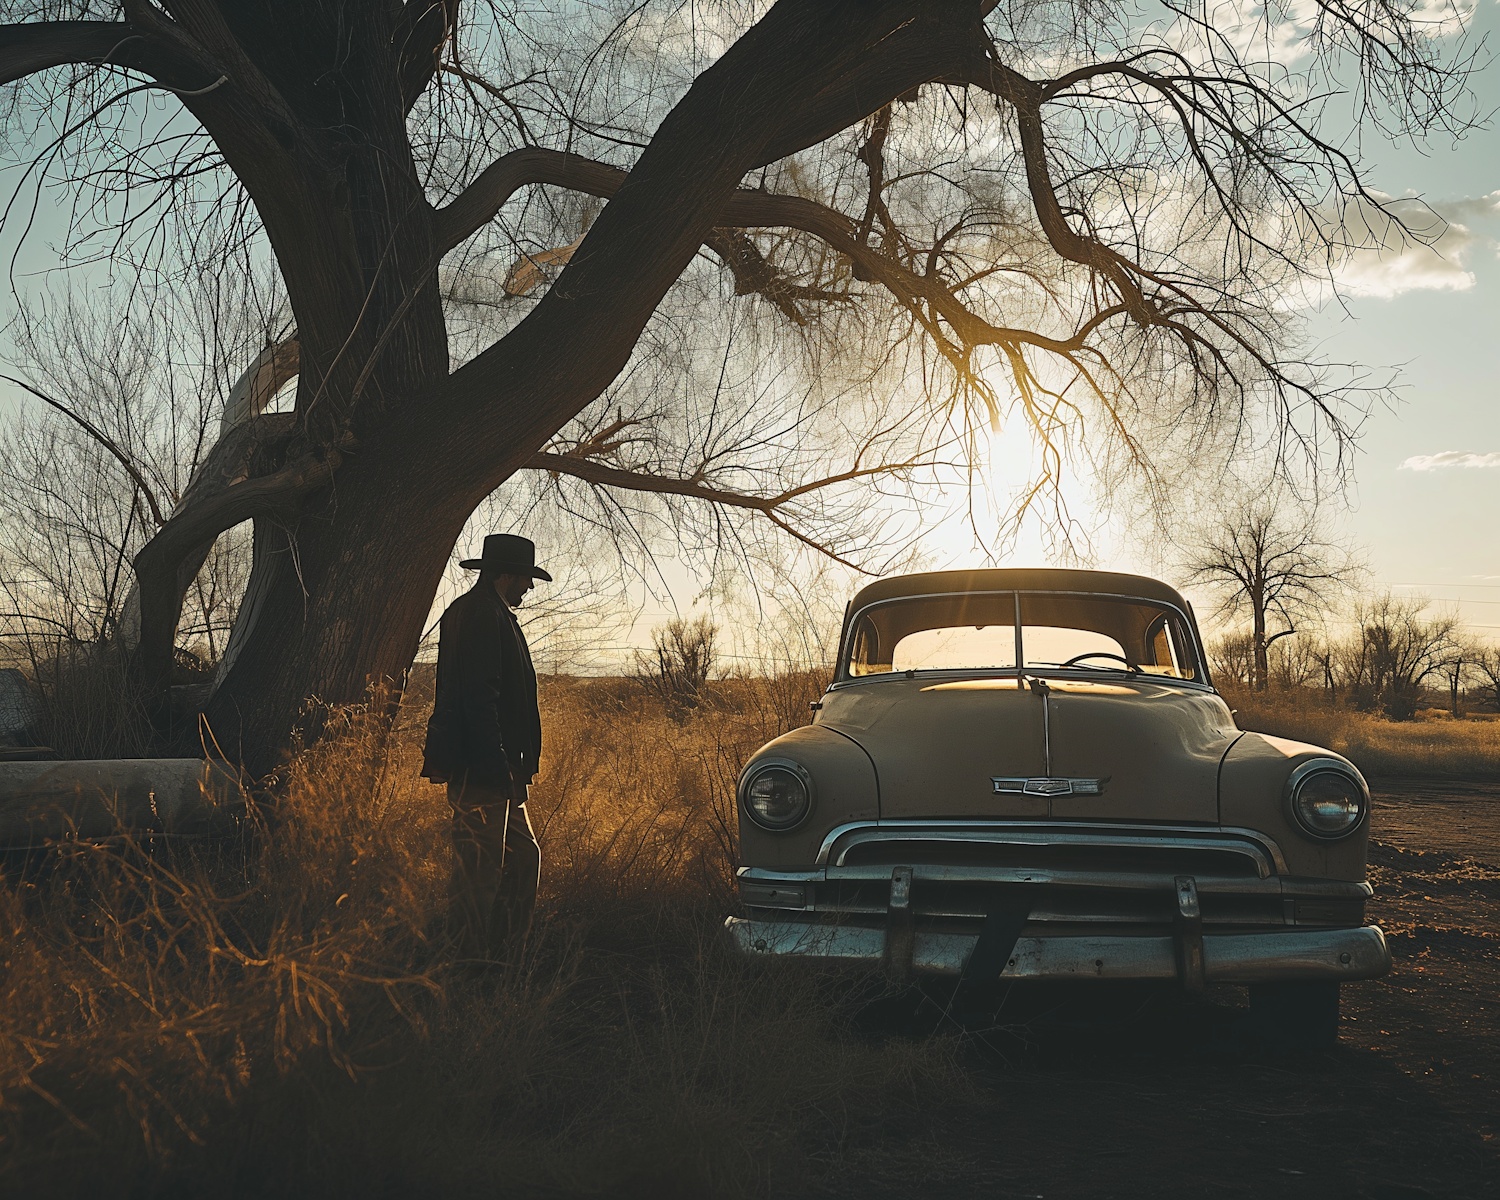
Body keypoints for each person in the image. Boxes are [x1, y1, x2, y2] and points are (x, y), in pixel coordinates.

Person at [421, 533, 550, 963]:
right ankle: (467, 967)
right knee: (477, 876)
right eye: (525, 578)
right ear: (506, 574)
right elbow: (480, 698)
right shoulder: (479, 615)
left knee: (522, 859)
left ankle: (503, 958)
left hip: (497, 767)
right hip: (483, 768)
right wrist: (497, 767)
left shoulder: (488, 612)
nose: (529, 588)